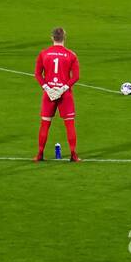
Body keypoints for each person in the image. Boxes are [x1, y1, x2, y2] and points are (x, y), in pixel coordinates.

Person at [35, 26, 80, 162]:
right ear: (64, 38)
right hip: (65, 94)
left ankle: (40, 154)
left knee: (45, 124)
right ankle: (73, 154)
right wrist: (62, 89)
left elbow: (37, 74)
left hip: (49, 95)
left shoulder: (44, 53)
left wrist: (48, 89)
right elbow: (76, 76)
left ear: (52, 38)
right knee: (69, 124)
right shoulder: (71, 55)